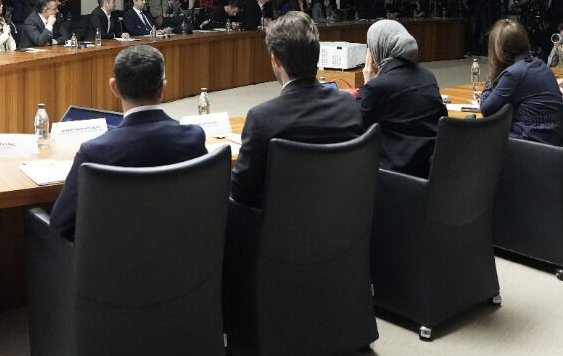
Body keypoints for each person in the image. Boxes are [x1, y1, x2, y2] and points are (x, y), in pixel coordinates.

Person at [46, 45, 209, 240]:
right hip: (181, 251)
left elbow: (60, 224)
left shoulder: (94, 152)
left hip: (111, 257)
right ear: (163, 88)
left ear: (114, 87)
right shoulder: (193, 137)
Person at [230, 12, 363, 208]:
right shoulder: (349, 105)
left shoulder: (261, 119)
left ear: (275, 59)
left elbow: (242, 192)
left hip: (278, 224)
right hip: (343, 217)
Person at [355, 19, 445, 177]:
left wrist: (369, 82)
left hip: (395, 178)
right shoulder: (427, 77)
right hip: (429, 174)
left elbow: (354, 126)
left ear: (378, 49)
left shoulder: (378, 87)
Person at [480, 18, 563, 144]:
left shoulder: (514, 73)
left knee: (474, 137)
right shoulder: (539, 64)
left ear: (498, 48)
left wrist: (493, 73)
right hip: (553, 138)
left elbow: (486, 109)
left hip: (532, 141)